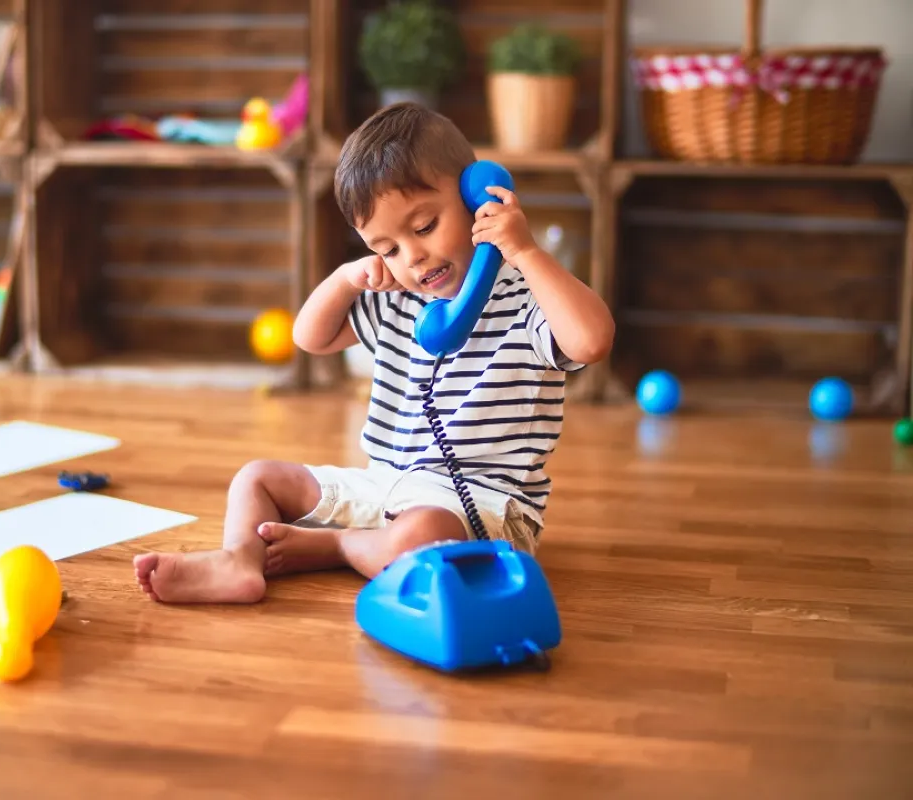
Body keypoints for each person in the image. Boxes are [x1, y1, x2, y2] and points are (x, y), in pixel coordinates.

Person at [133, 102, 614, 604]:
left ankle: (339, 546)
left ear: (478, 197)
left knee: (421, 535)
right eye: (388, 248)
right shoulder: (398, 300)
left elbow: (591, 341)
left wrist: (526, 252)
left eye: (424, 226)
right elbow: (311, 337)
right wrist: (345, 279)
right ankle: (238, 559)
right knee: (256, 479)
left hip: (478, 508)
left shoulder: (529, 297)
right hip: (383, 484)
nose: (413, 257)